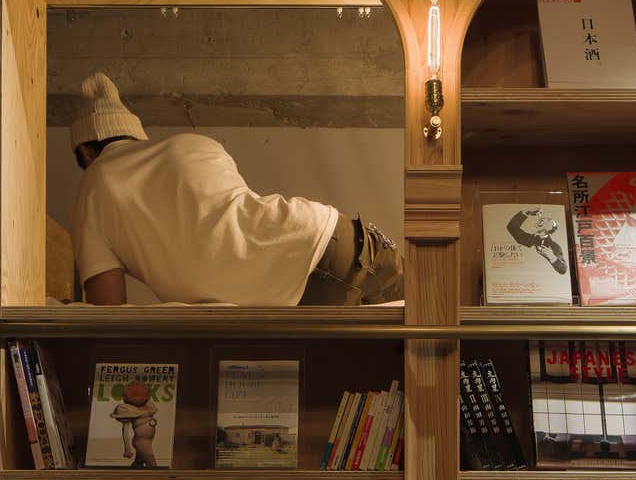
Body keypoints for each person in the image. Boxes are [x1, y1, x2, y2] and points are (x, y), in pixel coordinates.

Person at [67, 72, 403, 307]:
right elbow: (237, 218)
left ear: (85, 152)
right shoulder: (191, 144)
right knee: (436, 316)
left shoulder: (92, 189)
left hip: (290, 294)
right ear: (133, 134)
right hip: (328, 237)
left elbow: (106, 309)